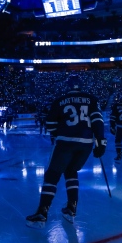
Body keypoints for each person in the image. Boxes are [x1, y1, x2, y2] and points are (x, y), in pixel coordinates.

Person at [26, 74, 106, 229]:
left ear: (67, 86)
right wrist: (101, 142)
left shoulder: (59, 101)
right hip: (86, 144)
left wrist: (57, 134)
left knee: (52, 175)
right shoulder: (91, 99)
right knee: (71, 171)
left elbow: (50, 123)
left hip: (65, 142)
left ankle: (41, 214)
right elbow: (98, 121)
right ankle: (71, 209)